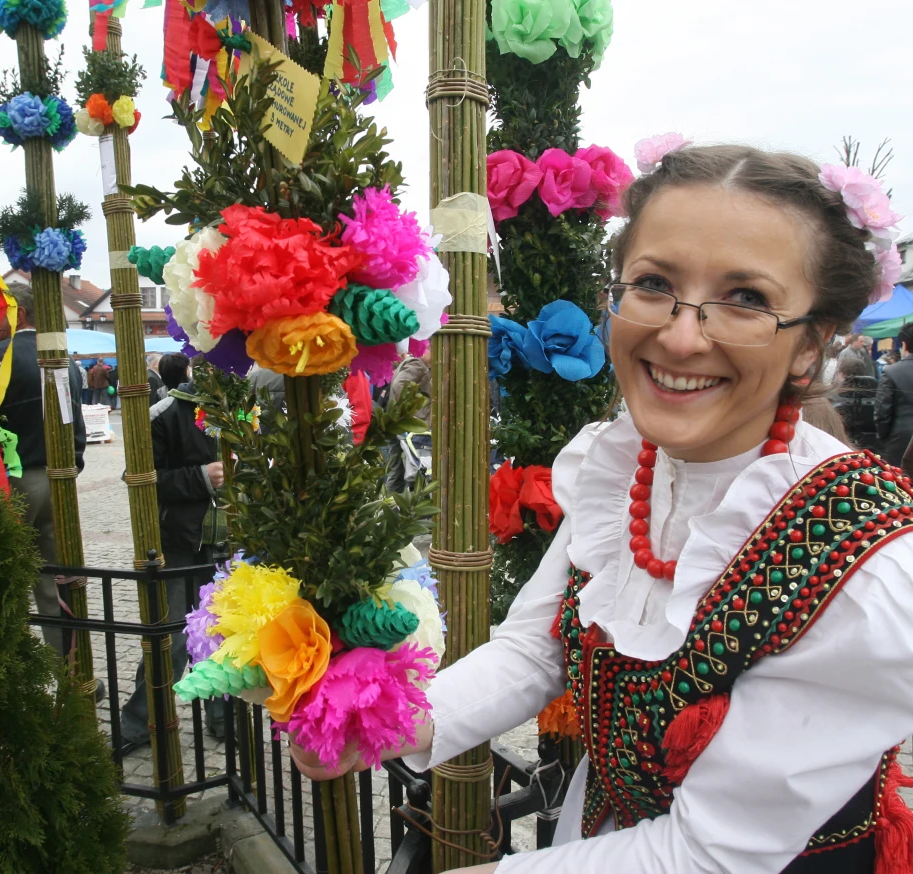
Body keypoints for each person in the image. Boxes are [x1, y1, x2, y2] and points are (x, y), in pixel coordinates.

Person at [292, 145, 913, 872]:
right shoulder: (622, 469)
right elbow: (539, 648)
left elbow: (709, 854)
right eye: (653, 284)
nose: (680, 336)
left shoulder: (867, 565)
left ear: (811, 344)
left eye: (746, 298)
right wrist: (383, 725)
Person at [120, 358, 225, 750]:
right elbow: (140, 478)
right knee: (172, 638)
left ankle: (223, 716)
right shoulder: (165, 413)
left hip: (228, 547)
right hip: (179, 544)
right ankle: (142, 720)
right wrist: (200, 477)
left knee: (223, 635)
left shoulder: (247, 411)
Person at [0, 289, 92, 681]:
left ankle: (11, 678)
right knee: (54, 583)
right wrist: (72, 464)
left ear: (17, 313)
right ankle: (70, 672)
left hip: (13, 478)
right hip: (58, 478)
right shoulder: (65, 360)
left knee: (5, 582)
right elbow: (77, 423)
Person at [385, 351, 431, 492]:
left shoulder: (415, 364)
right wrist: (415, 414)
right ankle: (398, 500)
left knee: (397, 469)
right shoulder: (418, 365)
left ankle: (392, 500)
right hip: (409, 429)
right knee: (414, 472)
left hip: (400, 425)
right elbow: (399, 386)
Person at [875, 323, 913, 467]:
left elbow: (882, 412)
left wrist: (883, 438)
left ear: (904, 344)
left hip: (900, 441)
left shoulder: (891, 372)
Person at [833, 355, 880, 451]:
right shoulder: (878, 398)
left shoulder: (834, 399)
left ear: (841, 375)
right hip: (875, 450)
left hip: (843, 450)